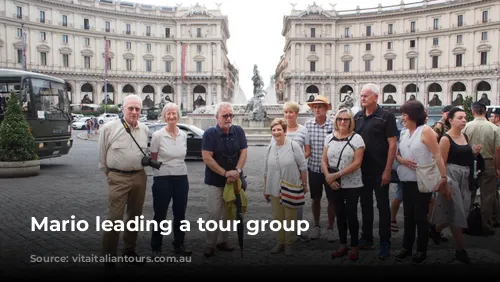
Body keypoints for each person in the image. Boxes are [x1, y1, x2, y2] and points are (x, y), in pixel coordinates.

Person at [98, 94, 149, 268]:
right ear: (123, 109)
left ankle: (129, 251)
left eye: (137, 109)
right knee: (115, 218)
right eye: (131, 108)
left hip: (139, 177)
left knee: (135, 216)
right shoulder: (109, 128)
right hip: (117, 177)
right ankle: (109, 257)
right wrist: (109, 173)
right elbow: (102, 155)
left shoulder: (144, 129)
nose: (134, 112)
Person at [394, 100, 448, 264]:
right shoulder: (404, 132)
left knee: (420, 217)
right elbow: (397, 154)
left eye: (405, 114)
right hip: (407, 180)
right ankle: (406, 247)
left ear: (413, 115)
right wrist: (402, 160)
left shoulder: (426, 131)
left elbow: (437, 154)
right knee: (408, 216)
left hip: (422, 181)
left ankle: (421, 249)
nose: (402, 117)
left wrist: (443, 177)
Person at [354, 83, 398, 260]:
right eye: (361, 96)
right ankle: (367, 238)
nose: (362, 98)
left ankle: (385, 243)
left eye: (366, 95)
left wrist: (388, 170)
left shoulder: (386, 116)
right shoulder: (357, 116)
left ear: (376, 97)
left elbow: (393, 144)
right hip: (362, 171)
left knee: (383, 208)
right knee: (365, 206)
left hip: (380, 171)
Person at [431, 107, 480, 264]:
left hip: (465, 178)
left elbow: (465, 155)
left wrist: (474, 153)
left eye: (465, 117)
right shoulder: (445, 139)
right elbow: (442, 162)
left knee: (460, 211)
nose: (464, 120)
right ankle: (460, 250)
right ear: (450, 120)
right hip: (451, 177)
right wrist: (444, 182)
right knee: (457, 213)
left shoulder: (464, 135)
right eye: (460, 117)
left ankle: (435, 229)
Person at [201, 102, 248, 257]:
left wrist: (237, 171)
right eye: (225, 115)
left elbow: (243, 152)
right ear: (217, 117)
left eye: (230, 115)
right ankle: (210, 244)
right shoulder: (209, 134)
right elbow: (207, 158)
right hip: (215, 181)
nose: (229, 118)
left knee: (228, 213)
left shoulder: (238, 131)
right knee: (214, 212)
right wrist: (225, 173)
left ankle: (223, 241)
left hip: (233, 180)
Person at [149, 103, 192, 260]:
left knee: (180, 213)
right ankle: (156, 246)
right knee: (160, 214)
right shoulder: (157, 136)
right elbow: (153, 158)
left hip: (181, 177)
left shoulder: (183, 135)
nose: (172, 116)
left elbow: (182, 155)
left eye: (174, 113)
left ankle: (179, 244)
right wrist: (159, 174)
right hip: (163, 179)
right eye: (169, 114)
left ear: (178, 115)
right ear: (164, 116)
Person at [322, 108, 365, 261]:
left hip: (352, 183)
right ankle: (342, 245)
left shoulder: (357, 139)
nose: (342, 122)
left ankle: (354, 246)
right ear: (335, 120)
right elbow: (324, 160)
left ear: (351, 122)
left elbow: (357, 163)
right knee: (339, 213)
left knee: (351, 214)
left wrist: (336, 175)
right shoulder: (329, 138)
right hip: (334, 183)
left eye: (346, 119)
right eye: (339, 119)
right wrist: (329, 177)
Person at [264, 118, 308, 256]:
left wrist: (304, 184)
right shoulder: (270, 147)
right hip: (274, 187)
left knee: (290, 217)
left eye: (279, 130)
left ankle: (289, 243)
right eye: (274, 130)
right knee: (277, 217)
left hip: (291, 186)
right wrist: (266, 188)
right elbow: (266, 169)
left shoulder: (293, 146)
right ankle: (280, 242)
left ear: (284, 131)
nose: (276, 132)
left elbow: (303, 166)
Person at [463, 102, 500, 235]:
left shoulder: (466, 127)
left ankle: (465, 223)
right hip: (489, 162)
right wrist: (498, 168)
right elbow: (497, 150)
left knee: (468, 194)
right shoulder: (494, 128)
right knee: (488, 197)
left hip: (470, 163)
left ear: (473, 112)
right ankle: (486, 225)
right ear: (485, 112)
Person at [304, 95, 336, 241]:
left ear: (326, 109)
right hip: (314, 168)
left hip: (330, 170)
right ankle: (316, 226)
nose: (316, 109)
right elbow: (306, 147)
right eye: (314, 107)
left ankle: (330, 228)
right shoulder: (308, 125)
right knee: (315, 198)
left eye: (320, 107)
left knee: (332, 200)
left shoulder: (333, 125)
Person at [278, 101, 311, 241]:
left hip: (297, 172)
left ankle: (297, 231)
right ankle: (285, 232)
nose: (288, 115)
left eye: (290, 112)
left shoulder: (303, 130)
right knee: (281, 200)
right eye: (286, 112)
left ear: (296, 113)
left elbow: (308, 151)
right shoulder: (279, 129)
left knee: (297, 201)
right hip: (281, 172)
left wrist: (296, 160)